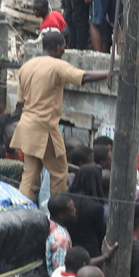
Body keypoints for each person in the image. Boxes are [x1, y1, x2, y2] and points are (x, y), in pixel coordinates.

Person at [14, 29, 112, 202]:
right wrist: (109, 73)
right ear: (58, 48)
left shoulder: (26, 66)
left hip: (27, 125)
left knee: (29, 175)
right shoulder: (57, 65)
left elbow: (19, 103)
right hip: (45, 128)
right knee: (59, 173)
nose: (64, 52)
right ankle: (58, 213)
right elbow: (84, 76)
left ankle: (22, 210)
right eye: (64, 49)